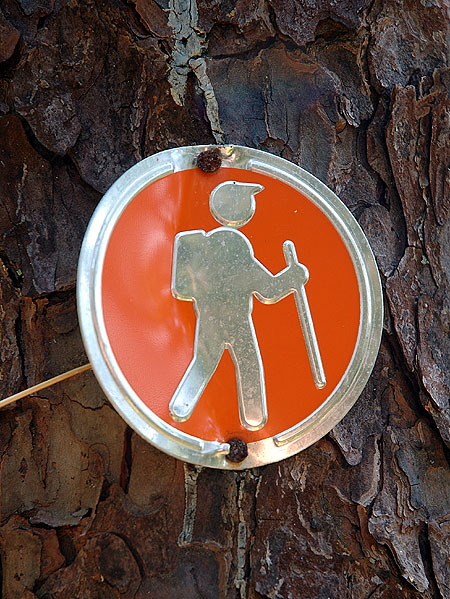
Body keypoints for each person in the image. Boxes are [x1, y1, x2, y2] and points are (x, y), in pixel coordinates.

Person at [169, 180, 311, 431]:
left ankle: (182, 406)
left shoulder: (202, 264)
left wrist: (293, 276)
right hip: (237, 324)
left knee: (203, 363)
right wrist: (293, 276)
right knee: (248, 365)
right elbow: (269, 288)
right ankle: (253, 416)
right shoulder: (242, 263)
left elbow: (267, 290)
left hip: (209, 322)